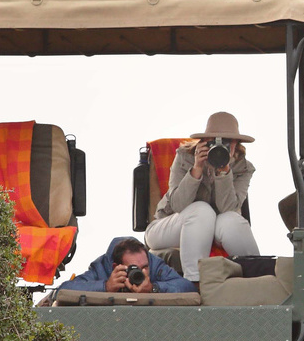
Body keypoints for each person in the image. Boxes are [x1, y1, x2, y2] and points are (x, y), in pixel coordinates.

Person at [144, 111, 261, 284]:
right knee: (202, 210)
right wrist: (196, 169)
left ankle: (258, 278)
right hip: (167, 226)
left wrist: (223, 171)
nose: (221, 146)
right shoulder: (185, 157)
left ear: (236, 144)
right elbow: (177, 205)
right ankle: (194, 282)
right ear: (205, 141)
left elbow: (228, 209)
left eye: (227, 142)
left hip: (214, 227)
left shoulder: (243, 168)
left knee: (232, 219)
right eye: (214, 141)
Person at [57, 236, 195, 294]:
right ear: (116, 267)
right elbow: (64, 290)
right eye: (134, 269)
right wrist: (105, 286)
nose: (141, 273)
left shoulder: (154, 265)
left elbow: (188, 287)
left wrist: (153, 288)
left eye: (144, 267)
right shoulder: (102, 268)